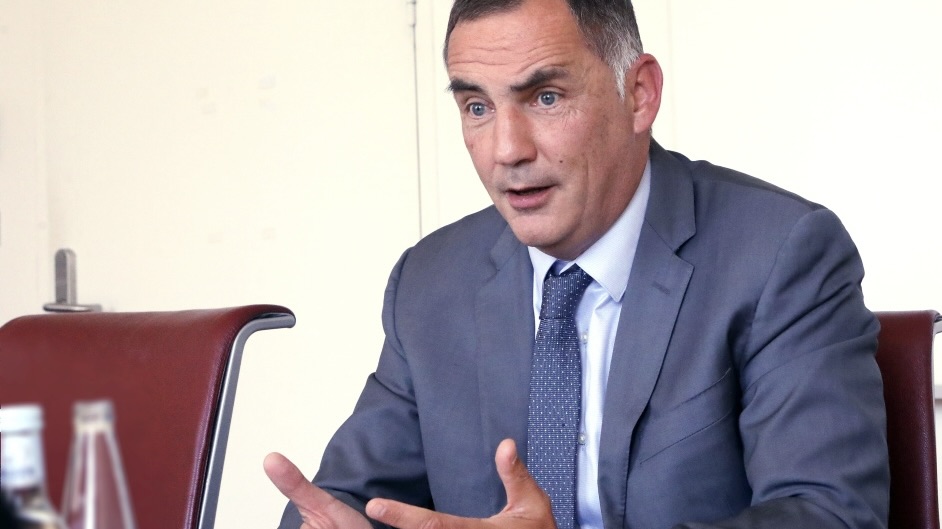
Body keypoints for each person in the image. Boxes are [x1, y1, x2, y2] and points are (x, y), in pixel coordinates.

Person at [264, 0, 889, 528]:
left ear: (639, 95)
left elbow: (830, 513)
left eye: (545, 96)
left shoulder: (780, 253)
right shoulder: (432, 281)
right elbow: (347, 497)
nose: (507, 150)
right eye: (476, 106)